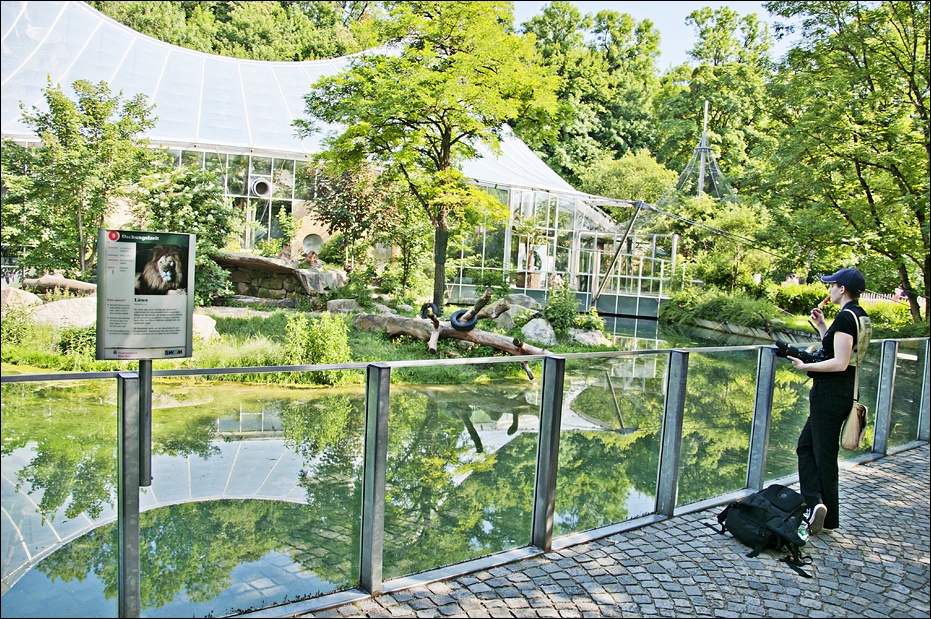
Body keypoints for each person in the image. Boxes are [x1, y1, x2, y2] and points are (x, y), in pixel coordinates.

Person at [786, 268, 871, 535]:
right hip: (843, 392)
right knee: (809, 448)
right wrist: (823, 325)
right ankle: (818, 508)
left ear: (842, 289)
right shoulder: (860, 316)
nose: (829, 290)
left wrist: (803, 367)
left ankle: (820, 509)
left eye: (832, 285)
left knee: (821, 455)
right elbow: (842, 351)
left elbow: (839, 362)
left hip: (830, 394)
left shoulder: (846, 318)